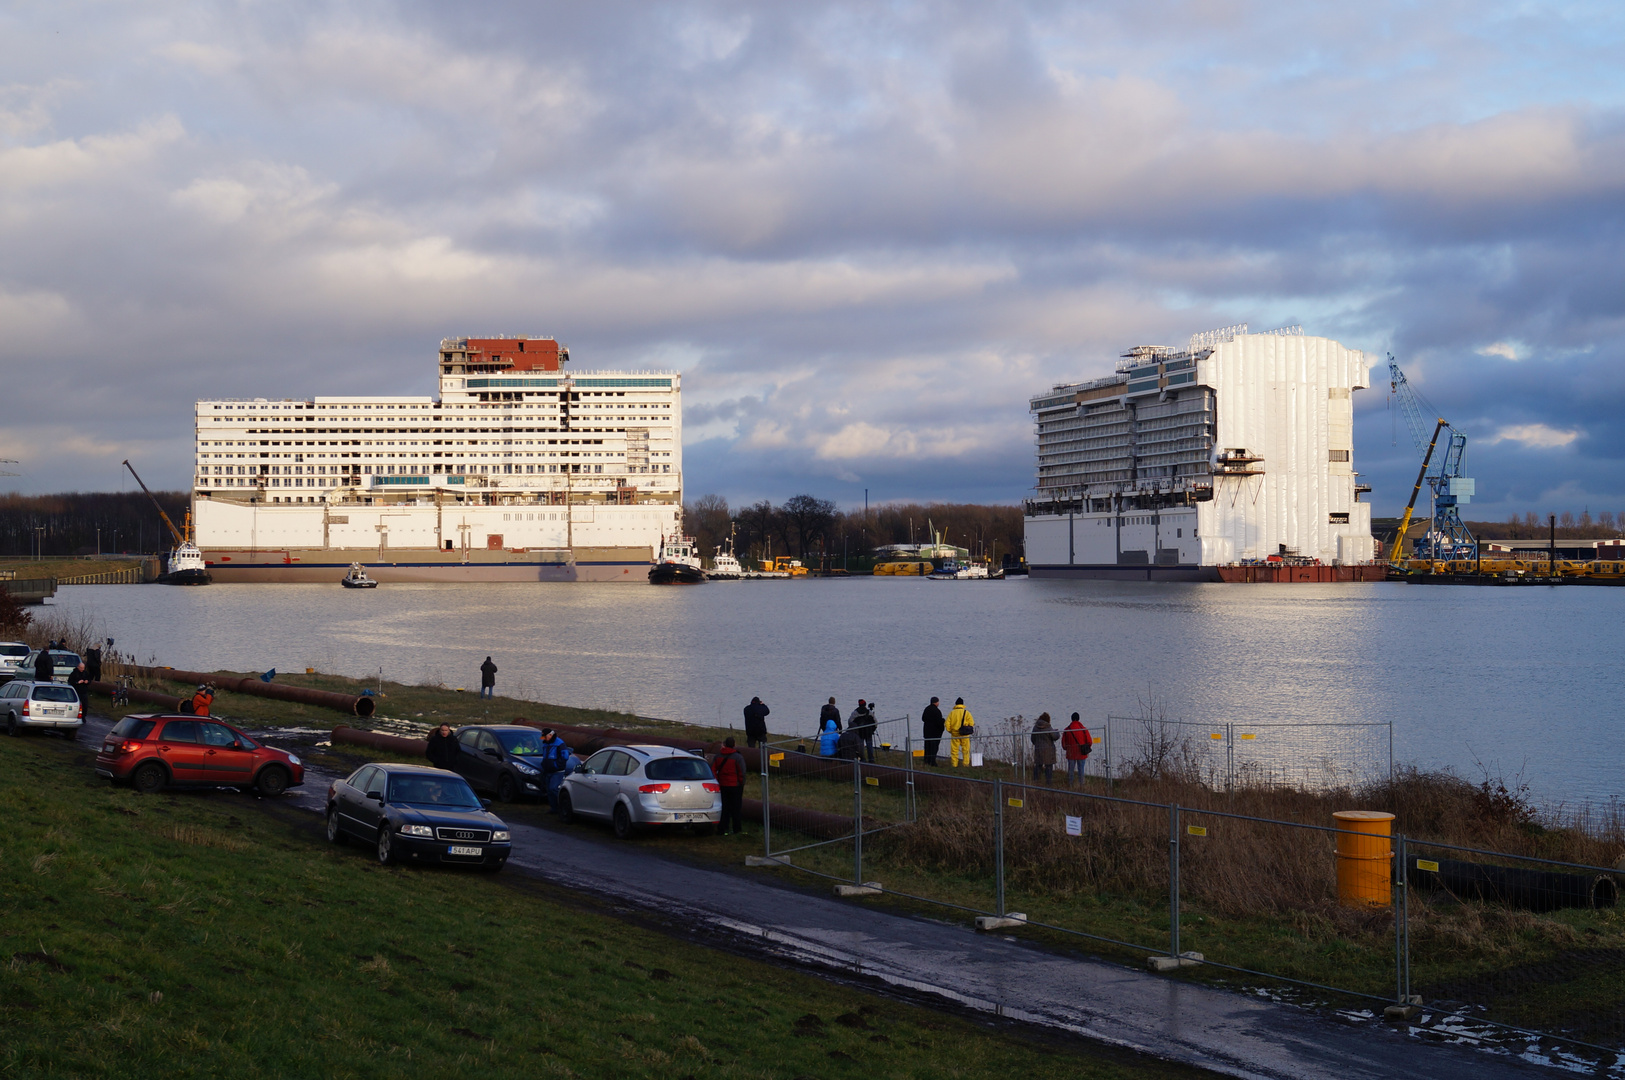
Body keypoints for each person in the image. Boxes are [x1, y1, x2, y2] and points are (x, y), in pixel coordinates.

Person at [712, 736, 747, 835]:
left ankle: (722, 829)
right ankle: (737, 829)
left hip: (722, 785)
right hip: (735, 786)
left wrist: (717, 781)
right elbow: (742, 772)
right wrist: (741, 783)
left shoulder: (718, 756)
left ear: (725, 744)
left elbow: (713, 769)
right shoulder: (738, 757)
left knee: (724, 807)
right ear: (734, 745)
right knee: (736, 808)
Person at [538, 728, 570, 812]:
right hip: (548, 770)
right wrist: (544, 764)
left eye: (545, 736)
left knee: (553, 789)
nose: (544, 738)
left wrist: (556, 765)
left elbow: (565, 756)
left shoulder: (560, 743)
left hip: (557, 771)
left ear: (550, 735)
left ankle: (561, 808)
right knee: (549, 790)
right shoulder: (545, 743)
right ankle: (553, 808)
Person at [1061, 712, 1093, 787]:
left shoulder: (1067, 730)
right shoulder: (1083, 729)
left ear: (1071, 719)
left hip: (1071, 753)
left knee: (1071, 770)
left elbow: (1063, 744)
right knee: (1081, 769)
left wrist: (1067, 749)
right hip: (1081, 753)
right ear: (1079, 719)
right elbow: (1089, 742)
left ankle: (1070, 785)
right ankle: (1082, 785)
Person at [945, 697, 975, 767]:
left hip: (955, 734)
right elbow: (972, 723)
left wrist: (950, 731)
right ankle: (966, 764)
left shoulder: (952, 713)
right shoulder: (967, 713)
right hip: (965, 734)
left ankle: (954, 764)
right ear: (962, 704)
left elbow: (947, 724)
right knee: (966, 750)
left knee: (954, 750)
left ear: (956, 704)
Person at [1030, 712, 1059, 784]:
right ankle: (1048, 783)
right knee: (1049, 766)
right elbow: (1055, 737)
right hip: (1048, 751)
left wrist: (1037, 744)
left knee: (1038, 766)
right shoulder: (1048, 727)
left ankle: (1035, 781)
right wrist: (1057, 732)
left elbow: (1033, 739)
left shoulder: (1035, 727)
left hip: (1038, 749)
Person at [849, 699, 877, 763]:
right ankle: (871, 759)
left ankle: (862, 759)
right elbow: (875, 722)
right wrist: (873, 729)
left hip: (859, 732)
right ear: (865, 704)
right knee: (869, 745)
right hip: (868, 732)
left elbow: (850, 722)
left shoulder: (855, 713)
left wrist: (855, 729)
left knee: (860, 746)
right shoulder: (869, 712)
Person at [921, 697, 945, 766]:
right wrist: (943, 722)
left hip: (927, 732)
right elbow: (939, 723)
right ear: (936, 702)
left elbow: (923, 718)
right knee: (934, 748)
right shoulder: (937, 711)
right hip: (935, 733)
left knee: (927, 747)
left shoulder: (927, 709)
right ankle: (932, 762)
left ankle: (926, 760)